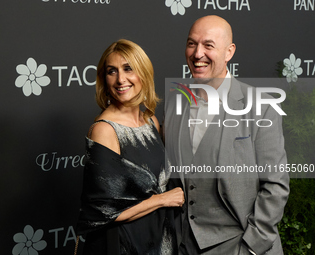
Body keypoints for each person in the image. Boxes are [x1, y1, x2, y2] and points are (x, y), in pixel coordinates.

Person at [164, 15, 290, 255]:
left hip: (242, 244)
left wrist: (251, 247)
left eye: (208, 45)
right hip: (185, 246)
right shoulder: (174, 101)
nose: (197, 53)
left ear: (229, 52)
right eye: (192, 43)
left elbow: (275, 184)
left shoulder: (261, 105)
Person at [76, 39, 184, 255]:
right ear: (104, 79)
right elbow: (102, 211)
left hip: (158, 237)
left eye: (128, 69)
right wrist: (162, 199)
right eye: (111, 71)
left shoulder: (150, 120)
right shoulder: (105, 130)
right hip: (122, 243)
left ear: (143, 73)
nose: (120, 79)